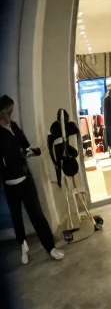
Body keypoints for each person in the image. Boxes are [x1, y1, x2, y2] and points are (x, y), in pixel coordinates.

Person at [0, 95, 66, 264]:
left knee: (37, 214)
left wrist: (27, 151)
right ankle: (23, 245)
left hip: (25, 178)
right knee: (17, 218)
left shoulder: (14, 127)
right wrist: (21, 152)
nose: (12, 115)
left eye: (12, 111)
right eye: (9, 112)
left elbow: (25, 145)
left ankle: (50, 247)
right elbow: (8, 155)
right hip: (10, 184)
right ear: (1, 112)